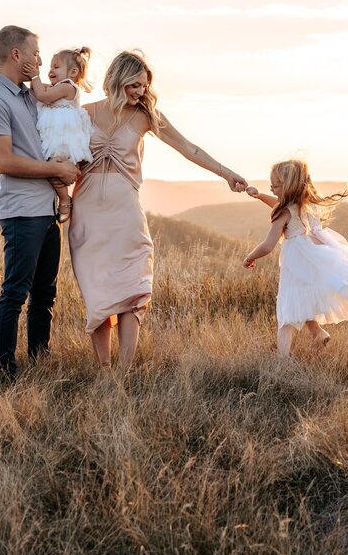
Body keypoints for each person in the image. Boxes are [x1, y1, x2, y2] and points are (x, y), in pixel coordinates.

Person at [68, 49, 248, 371]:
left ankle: (124, 370)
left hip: (126, 214)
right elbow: (63, 159)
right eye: (134, 85)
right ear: (116, 80)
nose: (140, 92)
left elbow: (188, 148)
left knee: (133, 288)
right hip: (88, 213)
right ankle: (105, 371)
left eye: (144, 86)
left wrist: (227, 174)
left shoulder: (146, 116)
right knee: (97, 292)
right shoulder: (84, 114)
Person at [0, 25, 80, 381]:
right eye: (35, 53)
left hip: (47, 208)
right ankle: (4, 372)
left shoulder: (29, 96)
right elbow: (4, 161)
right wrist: (55, 170)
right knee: (15, 293)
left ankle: (41, 360)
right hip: (22, 211)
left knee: (45, 294)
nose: (39, 59)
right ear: (16, 54)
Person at [242, 159, 348, 358]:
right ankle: (318, 334)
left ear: (288, 186)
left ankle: (282, 360)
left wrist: (249, 256)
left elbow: (268, 245)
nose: (272, 189)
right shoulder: (304, 205)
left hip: (296, 263)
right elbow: (279, 204)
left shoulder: (283, 213)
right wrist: (259, 196)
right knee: (303, 300)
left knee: (286, 310)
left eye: (275, 185)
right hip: (310, 259)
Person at [30, 46, 95, 223]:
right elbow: (39, 91)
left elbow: (42, 95)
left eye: (56, 67)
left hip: (63, 138)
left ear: (73, 72)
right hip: (55, 136)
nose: (50, 71)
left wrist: (34, 76)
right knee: (52, 168)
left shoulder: (67, 87)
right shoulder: (57, 87)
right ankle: (63, 198)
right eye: (50, 67)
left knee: (55, 168)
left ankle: (65, 199)